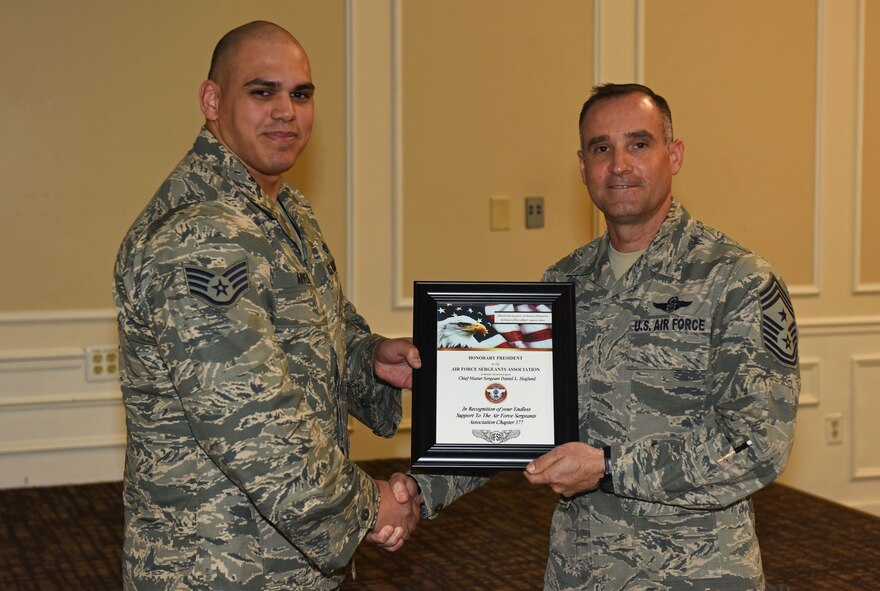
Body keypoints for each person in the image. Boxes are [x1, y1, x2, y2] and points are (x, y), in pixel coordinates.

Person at [398, 83, 800, 590]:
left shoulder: (736, 281)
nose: (619, 165)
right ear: (583, 166)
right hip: (582, 570)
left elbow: (757, 444)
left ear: (674, 155)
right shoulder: (562, 284)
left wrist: (610, 468)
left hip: (696, 574)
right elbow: (513, 421)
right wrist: (418, 492)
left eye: (639, 144)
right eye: (601, 148)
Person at [114, 21, 421, 590]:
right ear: (212, 101)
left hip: (281, 553)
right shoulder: (200, 235)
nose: (286, 111)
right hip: (218, 563)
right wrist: (366, 505)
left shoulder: (286, 210)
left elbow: (316, 332)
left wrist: (370, 357)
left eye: (301, 94)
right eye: (262, 92)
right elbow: (249, 421)